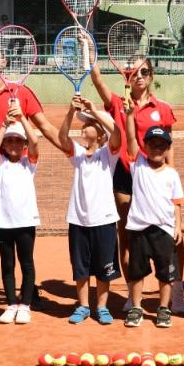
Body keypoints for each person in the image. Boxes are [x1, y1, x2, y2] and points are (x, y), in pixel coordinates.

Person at [0, 46, 63, 312]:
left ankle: (27, 288)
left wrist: (70, 149)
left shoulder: (22, 93)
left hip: (13, 176)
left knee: (22, 231)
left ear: (4, 61)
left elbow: (44, 127)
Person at [89, 55, 184, 313]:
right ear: (126, 76)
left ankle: (176, 291)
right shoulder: (119, 104)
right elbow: (97, 81)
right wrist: (90, 57)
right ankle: (134, 295)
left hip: (157, 176)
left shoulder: (161, 108)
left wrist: (170, 178)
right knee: (128, 236)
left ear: (151, 75)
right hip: (125, 174)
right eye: (133, 72)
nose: (138, 76)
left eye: (144, 72)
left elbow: (170, 146)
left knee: (171, 234)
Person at [57, 95, 122, 325]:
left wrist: (95, 112)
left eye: (89, 124)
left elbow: (117, 134)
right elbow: (62, 137)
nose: (84, 127)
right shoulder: (77, 154)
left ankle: (101, 307)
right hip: (78, 220)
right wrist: (69, 112)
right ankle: (83, 306)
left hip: (104, 220)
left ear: (101, 133)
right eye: (83, 124)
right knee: (81, 268)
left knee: (105, 268)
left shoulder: (108, 153)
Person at [122, 114, 184, 329]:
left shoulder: (172, 174)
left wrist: (178, 226)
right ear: (144, 146)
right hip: (139, 229)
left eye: (162, 145)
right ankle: (136, 308)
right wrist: (130, 115)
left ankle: (164, 308)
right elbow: (130, 138)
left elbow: (176, 203)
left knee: (165, 273)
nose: (157, 148)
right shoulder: (137, 165)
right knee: (136, 271)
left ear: (168, 149)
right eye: (152, 144)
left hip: (164, 230)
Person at [0, 104, 42, 324]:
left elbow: (36, 142)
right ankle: (11, 304)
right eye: (9, 140)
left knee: (27, 264)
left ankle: (25, 305)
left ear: (24, 146)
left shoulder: (29, 164)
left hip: (25, 222)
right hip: (3, 223)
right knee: (7, 265)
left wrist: (22, 119)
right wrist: (4, 125)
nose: (13, 144)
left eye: (18, 141)